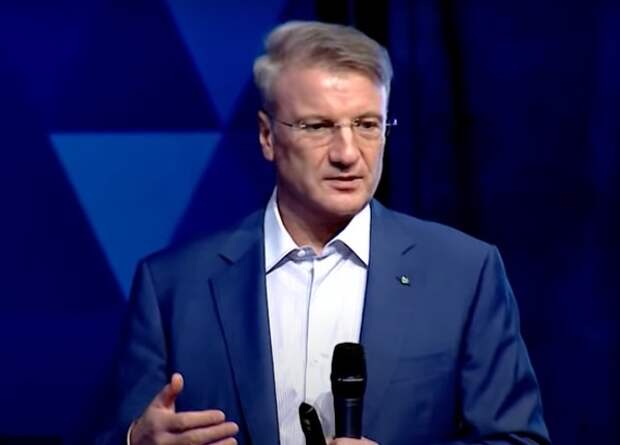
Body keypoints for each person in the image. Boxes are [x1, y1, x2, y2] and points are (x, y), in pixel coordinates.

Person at [95, 21, 550, 445]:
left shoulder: (464, 273)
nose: (347, 153)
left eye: (367, 125)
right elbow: (115, 432)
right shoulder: (173, 285)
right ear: (267, 137)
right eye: (318, 126)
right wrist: (135, 440)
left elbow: (517, 440)